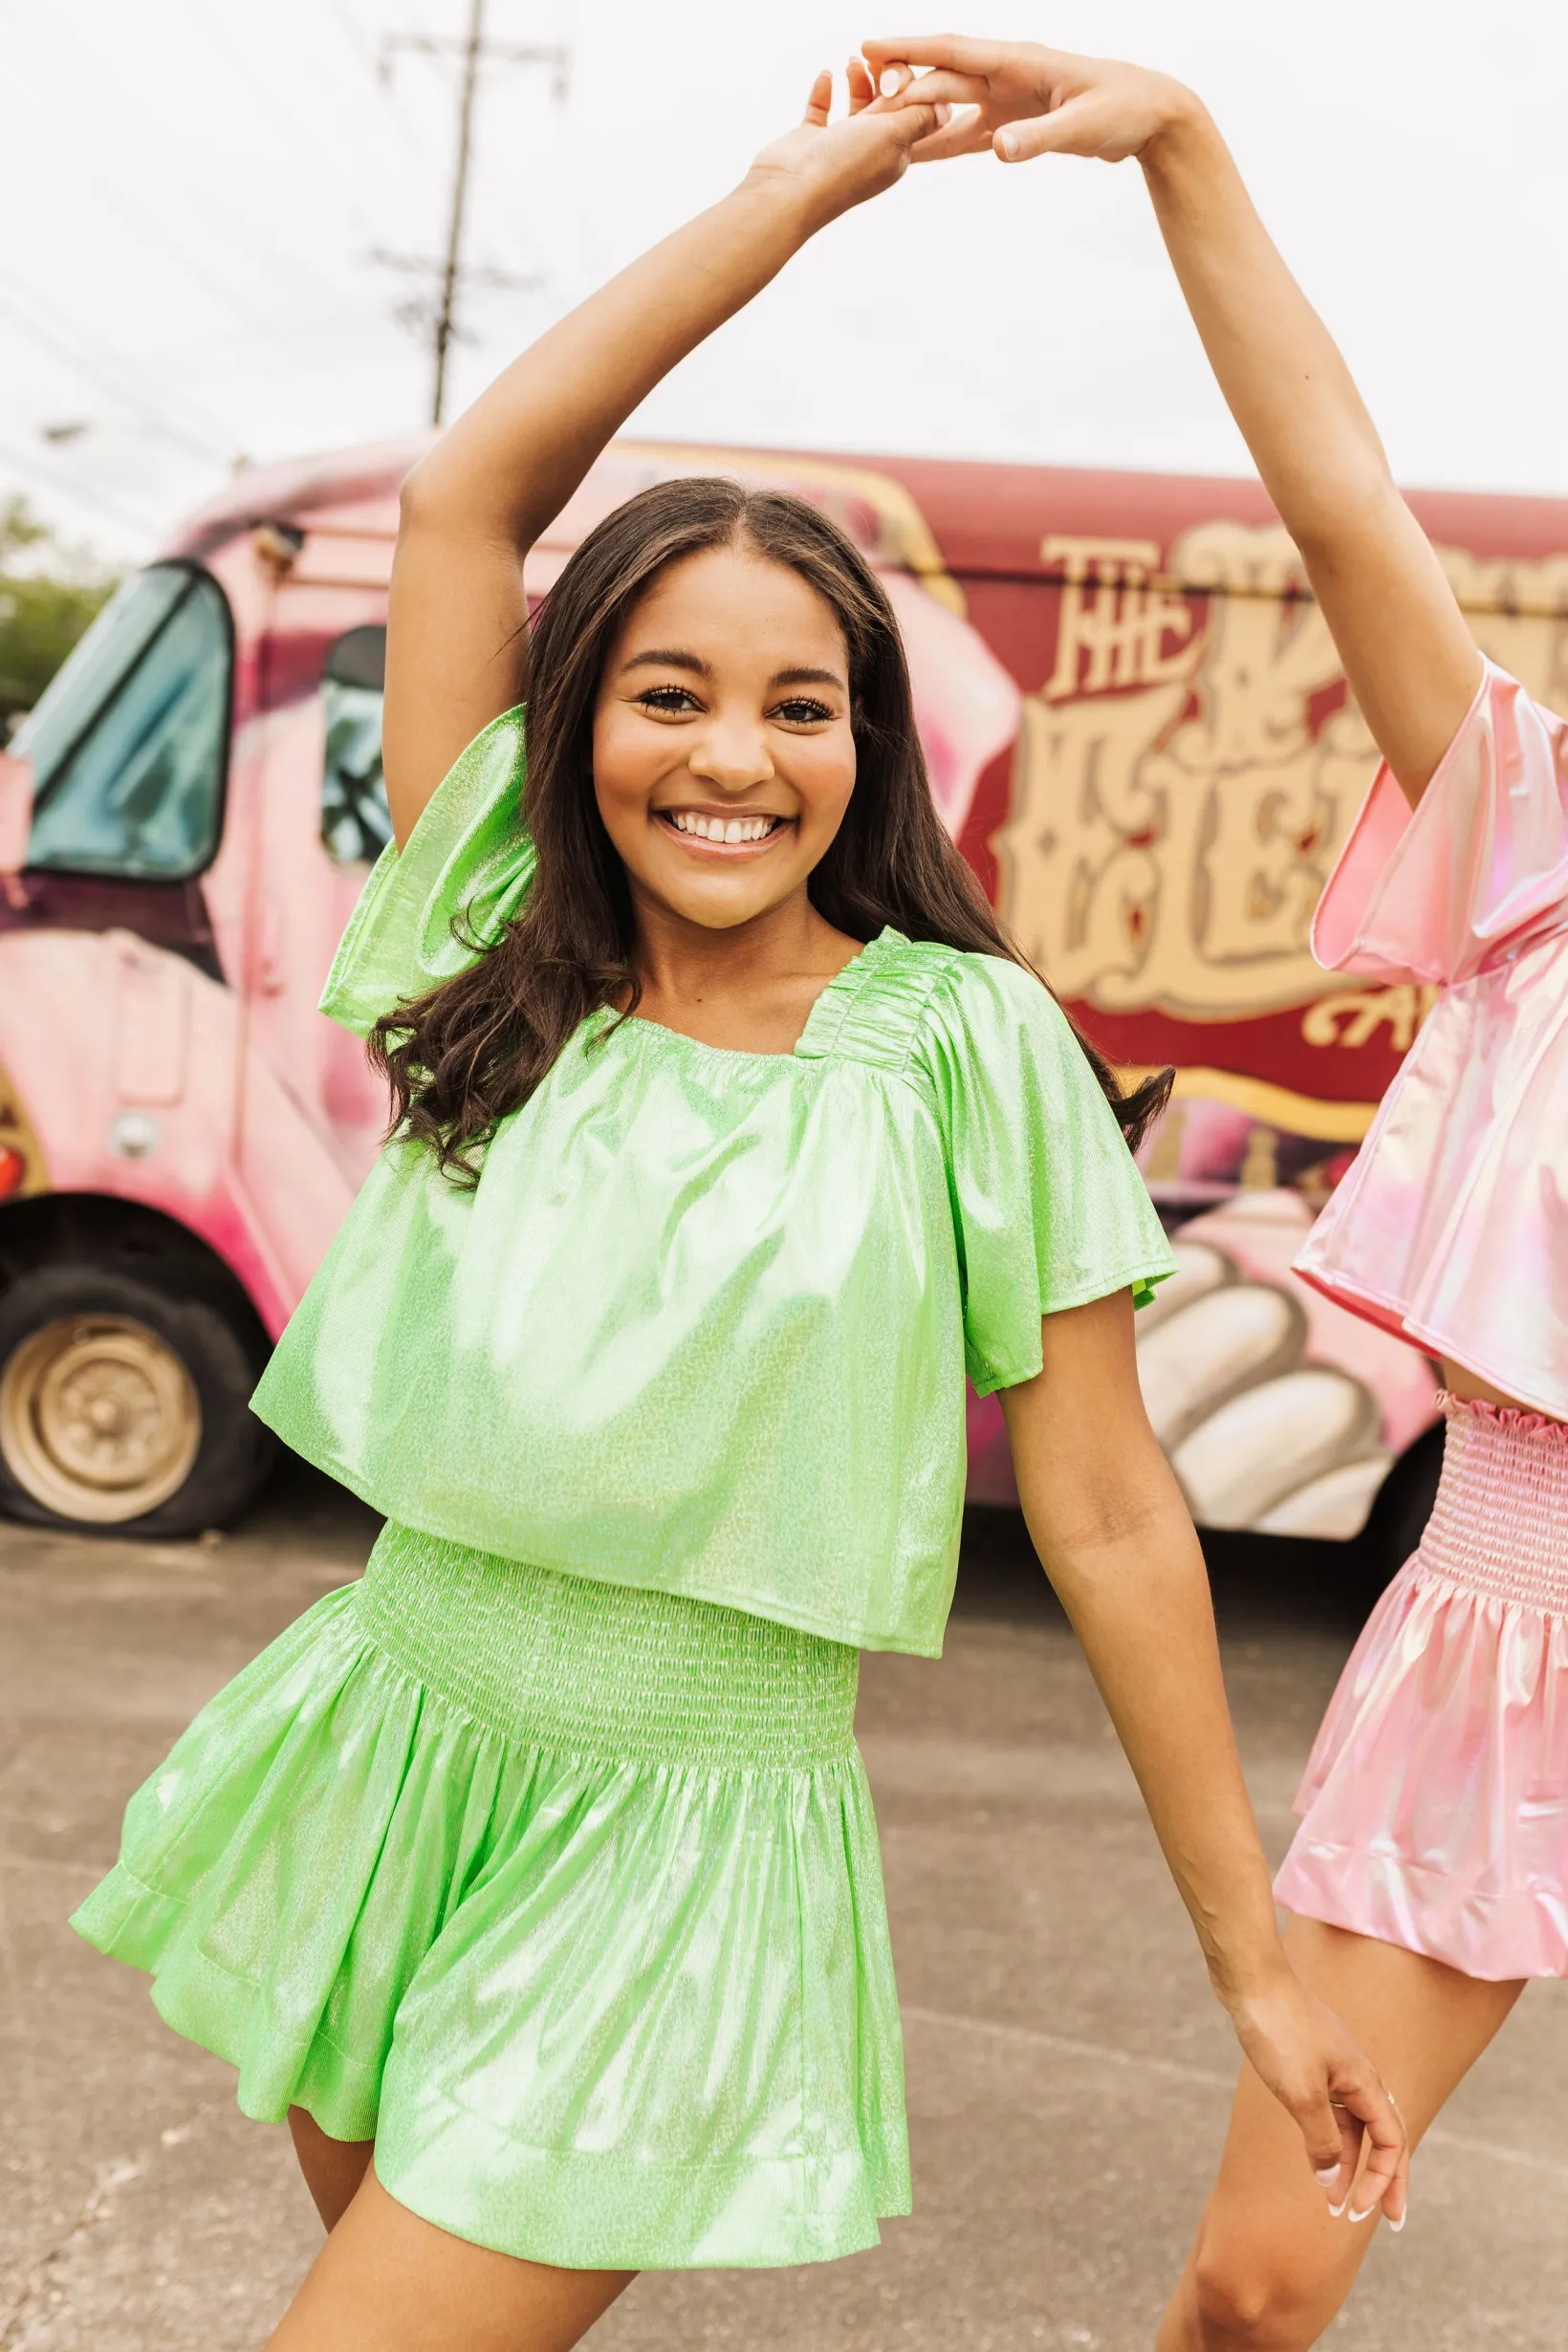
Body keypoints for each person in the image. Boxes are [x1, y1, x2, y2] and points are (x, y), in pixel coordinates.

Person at [71, 64, 1405, 2352]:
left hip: (677, 1836)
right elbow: (469, 489)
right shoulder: (508, 938)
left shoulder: (958, 1048)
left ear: (868, 747)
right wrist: (783, 197)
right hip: (391, 1736)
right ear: (579, 722)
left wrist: (1252, 1968)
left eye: (801, 708)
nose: (731, 754)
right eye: (668, 692)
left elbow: (1103, 1514)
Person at [866, 28, 1568, 2349]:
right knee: (1259, 2289)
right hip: (1514, 1622)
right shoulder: (1537, 848)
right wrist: (1183, 147)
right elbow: (1348, 503)